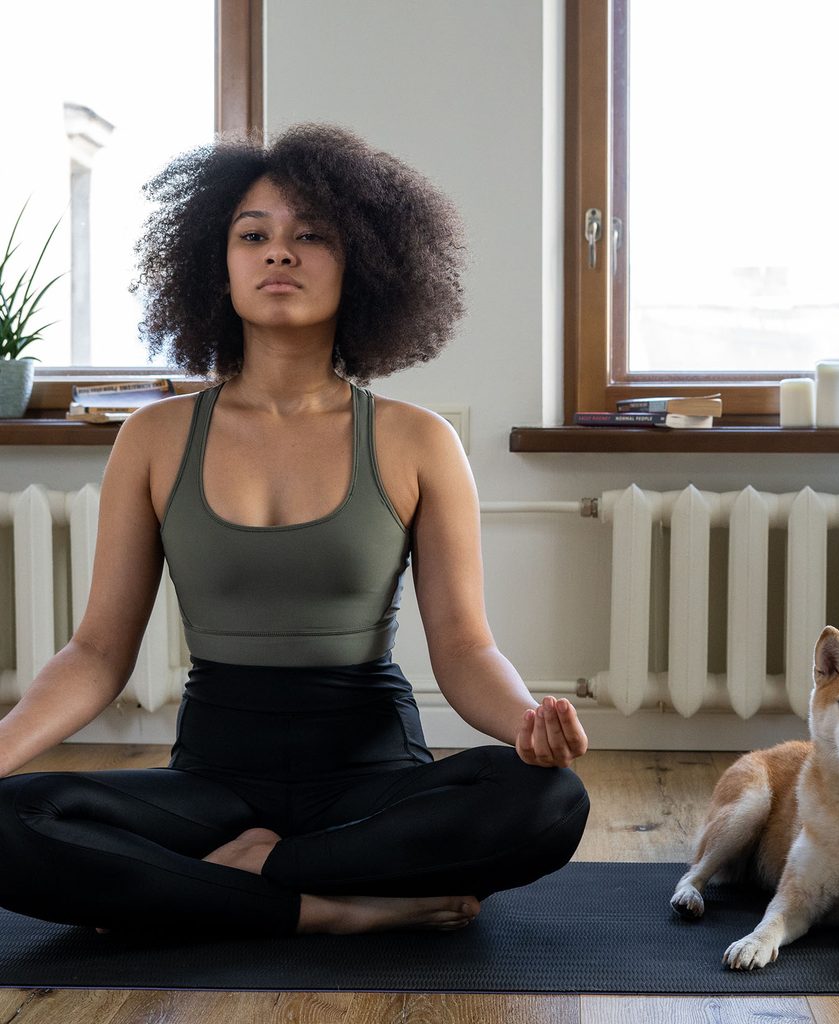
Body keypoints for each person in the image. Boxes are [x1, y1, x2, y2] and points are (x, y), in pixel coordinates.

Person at [0, 124, 590, 937]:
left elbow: (464, 648)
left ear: (365, 265)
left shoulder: (418, 440)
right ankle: (327, 907)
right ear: (220, 263)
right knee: (12, 819)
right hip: (214, 782)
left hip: (371, 778)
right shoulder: (155, 438)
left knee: (548, 803)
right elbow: (98, 653)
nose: (280, 252)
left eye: (311, 234)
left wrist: (529, 727)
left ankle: (230, 885)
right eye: (254, 235)